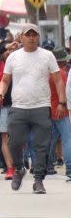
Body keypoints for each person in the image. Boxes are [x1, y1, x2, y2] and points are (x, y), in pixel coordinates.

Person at [0, 24, 66, 194]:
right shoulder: (13, 57)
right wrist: (0, 93)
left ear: (38, 37)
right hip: (18, 107)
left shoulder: (47, 56)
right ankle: (19, 169)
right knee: (14, 143)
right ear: (21, 37)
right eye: (28, 35)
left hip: (41, 107)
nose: (31, 38)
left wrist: (62, 102)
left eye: (34, 35)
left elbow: (57, 79)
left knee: (42, 146)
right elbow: (5, 80)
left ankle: (39, 180)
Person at [0, 40, 19, 180]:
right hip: (4, 106)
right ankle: (10, 168)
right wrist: (7, 46)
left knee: (19, 138)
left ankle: (18, 165)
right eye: (6, 51)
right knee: (5, 138)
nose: (8, 53)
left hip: (20, 105)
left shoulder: (19, 64)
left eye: (11, 51)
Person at [49, 48, 71, 179]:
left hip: (50, 109)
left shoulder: (49, 73)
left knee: (50, 139)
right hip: (61, 109)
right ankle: (69, 168)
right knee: (67, 139)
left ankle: (47, 165)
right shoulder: (62, 74)